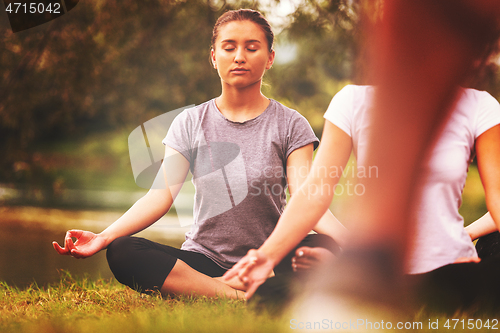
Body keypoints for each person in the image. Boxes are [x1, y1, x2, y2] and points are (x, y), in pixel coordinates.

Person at [52, 9, 346, 299]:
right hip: (205, 260)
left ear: (269, 58)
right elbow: (160, 196)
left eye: (252, 47)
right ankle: (237, 293)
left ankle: (209, 287)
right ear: (214, 57)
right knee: (123, 251)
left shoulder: (291, 124)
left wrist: (355, 245)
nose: (239, 56)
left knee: (322, 248)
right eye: (229, 47)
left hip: (271, 257)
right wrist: (103, 238)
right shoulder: (190, 122)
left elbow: (308, 199)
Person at [225, 83, 500, 312]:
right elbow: (314, 191)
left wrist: (466, 235)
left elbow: (497, 195)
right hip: (381, 269)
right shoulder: (353, 100)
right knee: (271, 294)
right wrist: (266, 257)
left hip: (451, 267)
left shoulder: (479, 106)